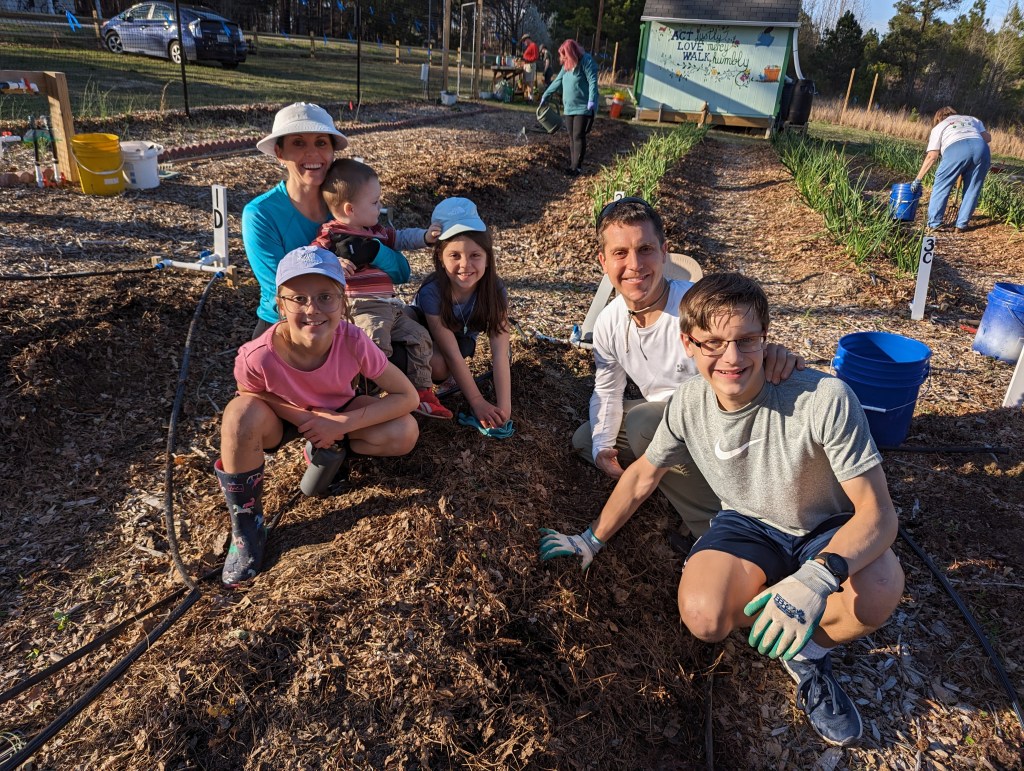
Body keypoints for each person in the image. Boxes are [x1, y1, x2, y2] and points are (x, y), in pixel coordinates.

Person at [541, 273, 905, 748]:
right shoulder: (688, 403)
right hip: (747, 520)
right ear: (687, 343)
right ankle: (783, 604)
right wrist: (590, 539)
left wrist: (820, 576)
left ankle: (810, 654)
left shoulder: (824, 398)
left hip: (825, 525)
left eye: (745, 341)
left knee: (879, 587)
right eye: (713, 343)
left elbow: (879, 515)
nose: (731, 358)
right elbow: (643, 475)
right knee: (703, 616)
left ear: (764, 339)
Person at [570, 197, 801, 537]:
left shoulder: (696, 305)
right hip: (672, 422)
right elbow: (607, 389)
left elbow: (742, 347)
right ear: (603, 261)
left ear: (664, 251)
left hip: (722, 426)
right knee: (585, 439)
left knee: (645, 422)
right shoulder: (609, 322)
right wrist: (603, 445)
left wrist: (774, 356)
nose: (634, 264)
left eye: (645, 249)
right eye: (620, 253)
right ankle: (668, 481)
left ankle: (717, 527)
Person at [215, 246, 419, 586]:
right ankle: (247, 526)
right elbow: (249, 394)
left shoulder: (353, 340)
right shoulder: (257, 356)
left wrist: (340, 423)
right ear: (280, 304)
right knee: (238, 417)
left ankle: (331, 453)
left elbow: (407, 396)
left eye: (326, 297)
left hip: (338, 411)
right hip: (282, 419)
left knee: (404, 432)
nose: (313, 309)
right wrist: (303, 418)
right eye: (298, 299)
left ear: (343, 302)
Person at [311, 158, 451, 420]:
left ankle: (421, 392)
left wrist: (425, 237)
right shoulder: (332, 234)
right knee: (376, 349)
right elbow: (311, 258)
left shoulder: (376, 231)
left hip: (391, 306)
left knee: (420, 337)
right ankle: (368, 399)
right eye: (375, 203)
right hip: (363, 306)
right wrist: (334, 263)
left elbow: (401, 238)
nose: (380, 207)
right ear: (350, 208)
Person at [242, 102, 348, 338]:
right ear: (280, 153)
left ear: (332, 152)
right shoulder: (261, 213)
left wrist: (373, 249)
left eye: (321, 142)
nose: (312, 153)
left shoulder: (348, 205)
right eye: (298, 143)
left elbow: (399, 271)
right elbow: (282, 290)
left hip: (349, 317)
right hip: (285, 327)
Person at [412, 198, 511, 430]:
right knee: (438, 364)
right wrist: (478, 403)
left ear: (488, 258)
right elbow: (451, 353)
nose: (465, 264)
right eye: (454, 255)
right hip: (427, 343)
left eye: (475, 255)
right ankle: (417, 385)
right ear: (440, 258)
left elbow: (500, 353)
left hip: (462, 338)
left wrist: (504, 408)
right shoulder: (432, 292)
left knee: (455, 354)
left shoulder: (495, 290)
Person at [913, 107, 992, 233]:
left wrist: (918, 179)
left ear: (938, 118)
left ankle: (934, 224)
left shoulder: (939, 127)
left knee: (941, 186)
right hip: (981, 149)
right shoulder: (972, 119)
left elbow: (932, 156)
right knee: (973, 188)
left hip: (955, 149)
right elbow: (987, 138)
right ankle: (961, 225)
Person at [539, 39, 599, 175]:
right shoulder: (566, 66)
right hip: (569, 107)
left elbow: (592, 81)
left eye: (564, 55)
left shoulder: (586, 61)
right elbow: (557, 82)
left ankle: (577, 167)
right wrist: (546, 95)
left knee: (578, 135)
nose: (562, 58)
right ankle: (572, 165)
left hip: (583, 107)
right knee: (571, 137)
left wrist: (592, 100)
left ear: (571, 53)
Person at [520, 33, 539, 101]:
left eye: (524, 41)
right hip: (526, 64)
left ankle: (531, 97)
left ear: (527, 39)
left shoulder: (533, 45)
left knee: (530, 82)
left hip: (530, 65)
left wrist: (527, 59)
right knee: (526, 82)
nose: (524, 43)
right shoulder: (529, 47)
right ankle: (528, 96)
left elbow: (535, 57)